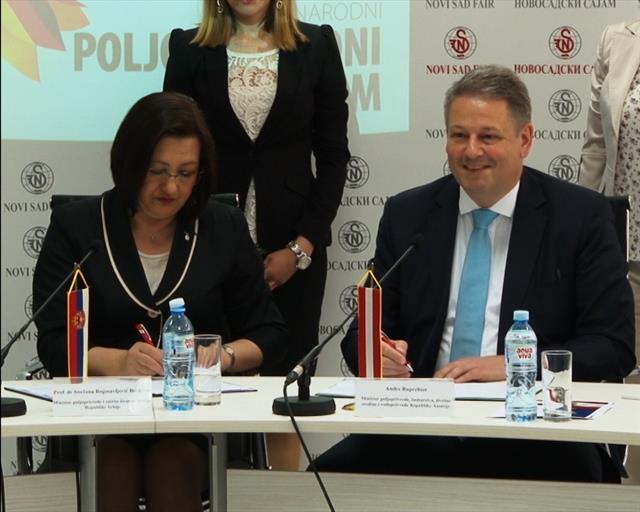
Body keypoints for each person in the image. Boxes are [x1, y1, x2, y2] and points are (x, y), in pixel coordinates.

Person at [314, 66, 636, 482]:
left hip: (534, 430)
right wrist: (381, 356)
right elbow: (362, 334)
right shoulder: (408, 215)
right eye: (459, 135)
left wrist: (515, 365)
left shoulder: (579, 217)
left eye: (488, 136)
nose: (471, 151)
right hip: (422, 424)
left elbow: (612, 346)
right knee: (318, 482)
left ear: (524, 140)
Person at [33, 91, 288, 512]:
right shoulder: (77, 227)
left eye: (186, 174)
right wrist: (119, 362)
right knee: (111, 467)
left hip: (195, 419)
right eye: (157, 171)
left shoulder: (222, 226)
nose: (171, 188)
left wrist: (220, 357)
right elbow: (53, 340)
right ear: (129, 163)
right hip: (103, 416)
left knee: (171, 466)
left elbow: (269, 333)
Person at [163, 0, 349, 470]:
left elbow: (333, 156)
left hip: (294, 248)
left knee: (287, 388)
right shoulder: (188, 48)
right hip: (209, 246)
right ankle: (212, 489)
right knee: (210, 378)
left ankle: (284, 494)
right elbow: (175, 149)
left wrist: (301, 247)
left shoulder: (316, 44)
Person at [579, 19, 640, 484]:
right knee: (631, 385)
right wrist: (576, 225)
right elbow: (597, 145)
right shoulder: (619, 39)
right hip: (629, 248)